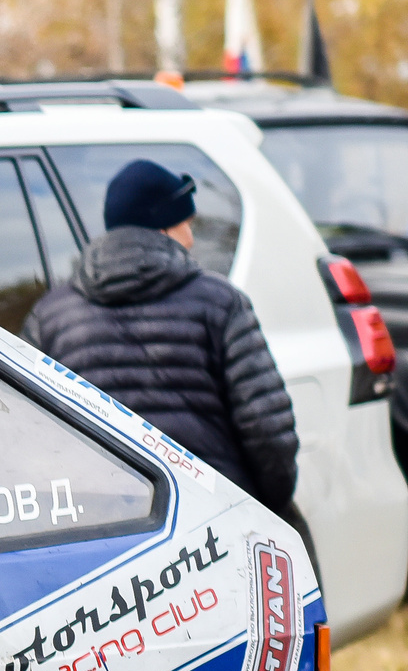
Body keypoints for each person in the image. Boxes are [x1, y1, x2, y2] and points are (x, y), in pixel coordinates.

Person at [21, 160, 299, 516]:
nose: (192, 238)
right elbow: (268, 428)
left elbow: (27, 435)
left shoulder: (50, 316)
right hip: (212, 516)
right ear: (162, 229)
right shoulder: (220, 302)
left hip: (103, 523)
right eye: (186, 224)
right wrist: (269, 504)